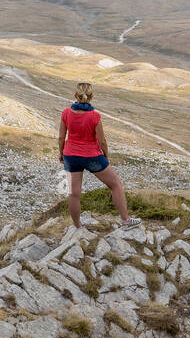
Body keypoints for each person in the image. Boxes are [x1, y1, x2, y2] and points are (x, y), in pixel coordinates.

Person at [58, 82, 137, 230]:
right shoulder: (95, 116)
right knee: (115, 185)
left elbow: (61, 138)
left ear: (75, 96)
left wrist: (61, 153)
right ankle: (126, 221)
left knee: (74, 194)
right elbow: (102, 141)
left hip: (70, 156)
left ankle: (77, 227)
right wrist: (106, 157)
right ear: (91, 97)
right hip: (92, 157)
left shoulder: (66, 113)